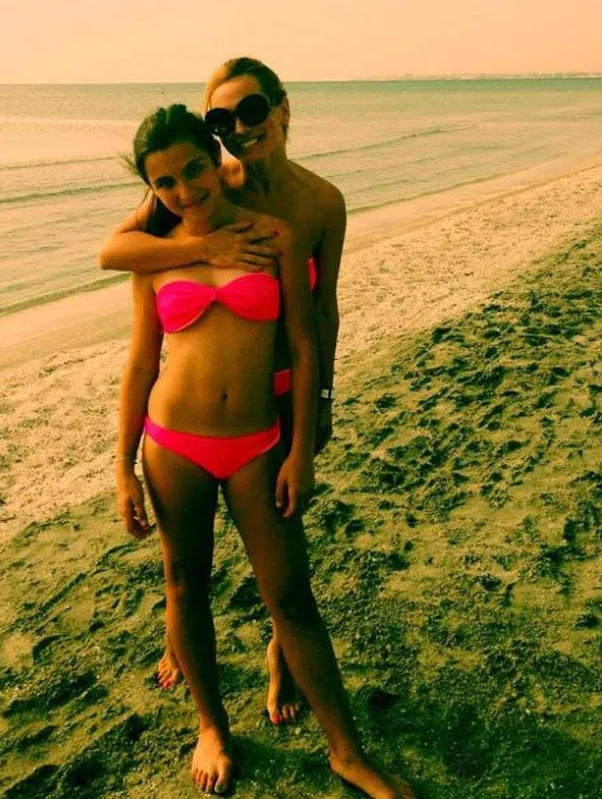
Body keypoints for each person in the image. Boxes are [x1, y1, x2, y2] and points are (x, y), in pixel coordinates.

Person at [115, 104, 414, 798]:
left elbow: (305, 349)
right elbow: (140, 363)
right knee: (184, 585)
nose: (184, 190)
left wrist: (301, 449)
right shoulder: (153, 253)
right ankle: (212, 726)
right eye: (165, 183)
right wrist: (122, 467)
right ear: (151, 189)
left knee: (291, 598)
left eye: (194, 169)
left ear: (215, 158)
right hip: (173, 446)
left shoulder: (274, 237)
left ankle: (347, 752)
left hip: (256, 444)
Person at [100, 58, 345, 726]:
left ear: (282, 108)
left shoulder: (319, 203)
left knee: (285, 571)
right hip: (189, 416)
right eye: (222, 118)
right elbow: (117, 252)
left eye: (252, 110)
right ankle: (187, 652)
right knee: (186, 576)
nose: (239, 127)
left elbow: (321, 312)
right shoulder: (202, 186)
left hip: (283, 390)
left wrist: (322, 404)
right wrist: (201, 249)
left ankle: (280, 660)